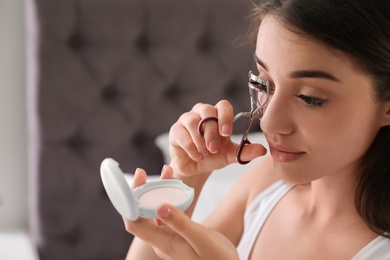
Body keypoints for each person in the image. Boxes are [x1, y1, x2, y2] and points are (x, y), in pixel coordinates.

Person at [123, 0, 390, 259]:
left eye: (310, 98)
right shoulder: (265, 186)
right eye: (264, 83)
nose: (268, 122)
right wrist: (186, 178)